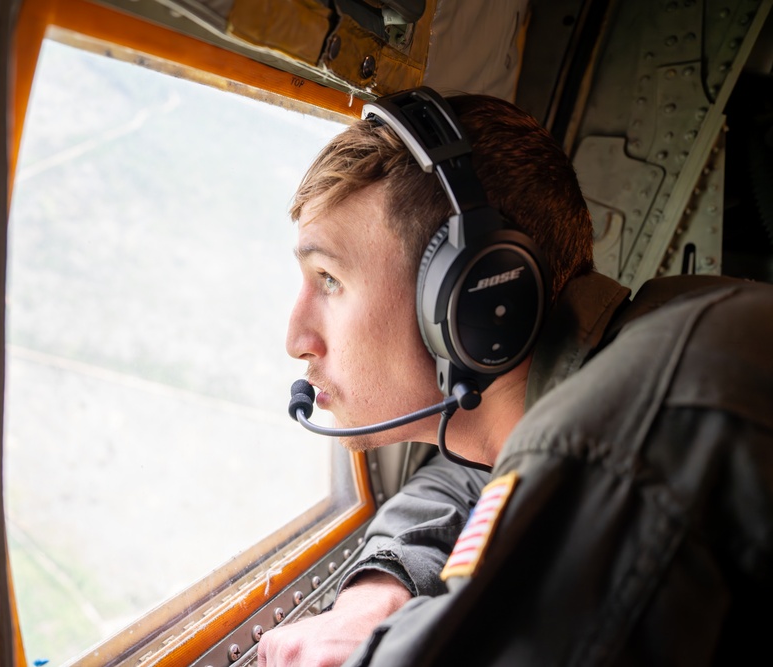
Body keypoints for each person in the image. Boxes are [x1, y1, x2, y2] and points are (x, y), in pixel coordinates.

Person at [258, 88, 773, 666]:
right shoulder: (618, 361)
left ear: (470, 296)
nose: (296, 340)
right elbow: (467, 478)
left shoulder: (633, 444)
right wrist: (377, 591)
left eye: (328, 279)